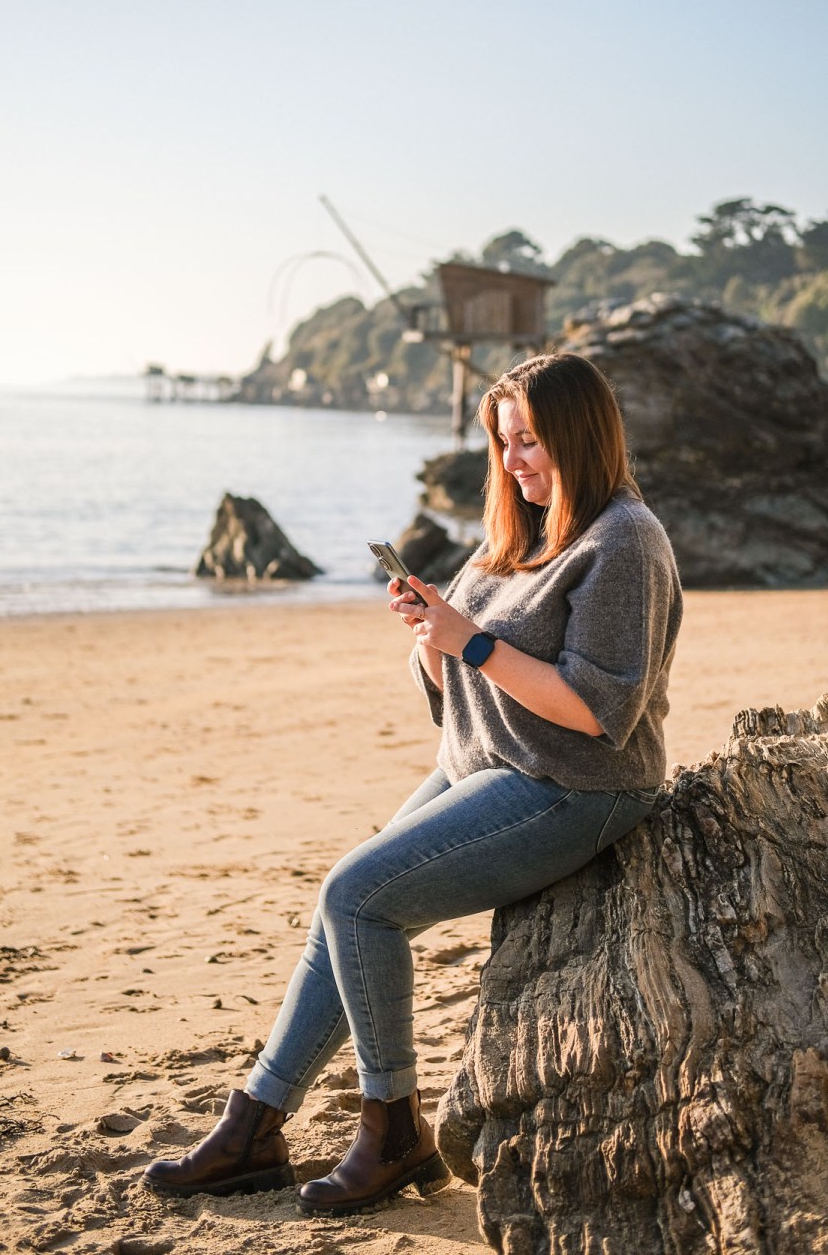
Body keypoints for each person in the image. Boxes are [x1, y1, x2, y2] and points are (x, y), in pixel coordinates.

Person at [142, 351, 682, 1216]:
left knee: (359, 895)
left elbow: (596, 709)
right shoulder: (520, 531)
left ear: (582, 434)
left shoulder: (625, 541)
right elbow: (455, 692)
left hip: (581, 783)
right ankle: (255, 1122)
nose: (514, 464)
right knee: (343, 908)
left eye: (531, 442)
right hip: (483, 764)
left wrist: (470, 641)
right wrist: (432, 640)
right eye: (504, 444)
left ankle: (393, 1131)